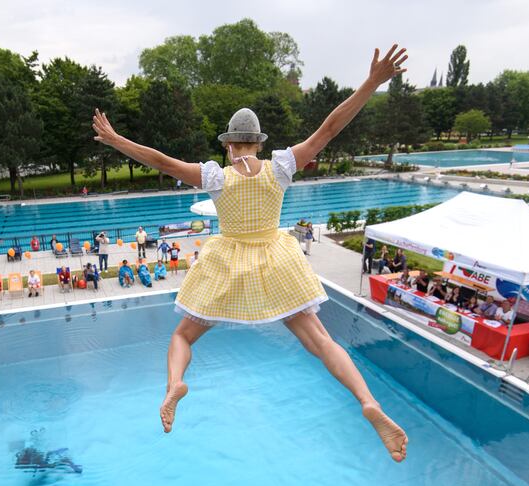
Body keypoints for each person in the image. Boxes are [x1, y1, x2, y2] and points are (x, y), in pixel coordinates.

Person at [92, 44, 410, 462]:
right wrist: (372, 82)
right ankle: (369, 402)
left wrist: (116, 140)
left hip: (229, 263)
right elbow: (330, 128)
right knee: (320, 340)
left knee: (183, 335)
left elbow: (162, 161)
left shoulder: (215, 177)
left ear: (228, 145)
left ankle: (174, 385)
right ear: (258, 143)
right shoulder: (281, 166)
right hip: (278, 261)